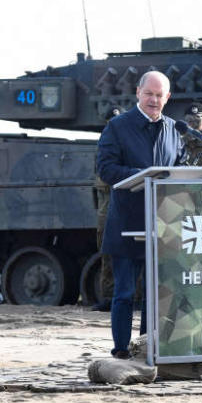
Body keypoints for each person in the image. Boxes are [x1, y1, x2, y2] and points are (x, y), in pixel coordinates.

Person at [96, 71, 187, 359]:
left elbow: (180, 169)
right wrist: (142, 176)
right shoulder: (117, 127)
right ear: (138, 92)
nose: (154, 100)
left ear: (168, 98)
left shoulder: (174, 129)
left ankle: (147, 348)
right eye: (149, 94)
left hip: (162, 225)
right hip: (127, 223)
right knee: (124, 293)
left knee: (155, 296)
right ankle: (121, 350)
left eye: (160, 95)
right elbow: (106, 169)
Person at [90, 106, 122, 312]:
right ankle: (108, 296)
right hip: (106, 208)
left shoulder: (129, 147)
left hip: (123, 206)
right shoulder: (103, 148)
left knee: (130, 255)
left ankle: (135, 296)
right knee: (106, 253)